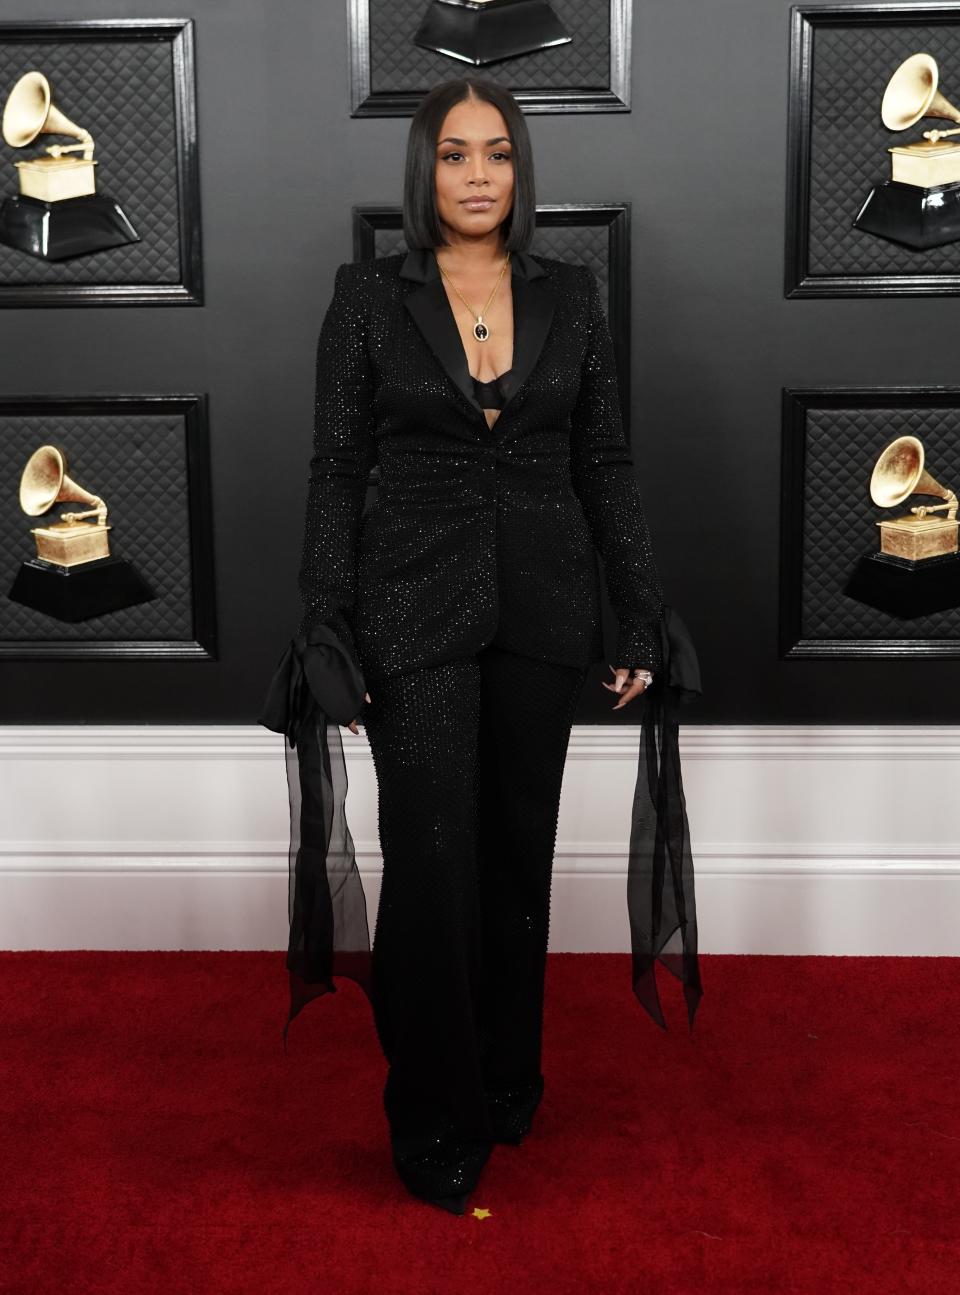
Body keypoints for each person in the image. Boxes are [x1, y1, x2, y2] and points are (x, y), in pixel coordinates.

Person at [259, 76, 702, 1218]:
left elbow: (605, 462)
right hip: (411, 609)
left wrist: (642, 608)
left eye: (497, 153)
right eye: (454, 154)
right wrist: (325, 614)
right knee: (436, 862)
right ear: (426, 170)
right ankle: (435, 1108)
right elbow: (335, 469)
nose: (476, 175)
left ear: (520, 170)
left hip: (546, 612)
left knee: (516, 856)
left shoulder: (576, 294)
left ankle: (509, 1073)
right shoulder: (366, 297)